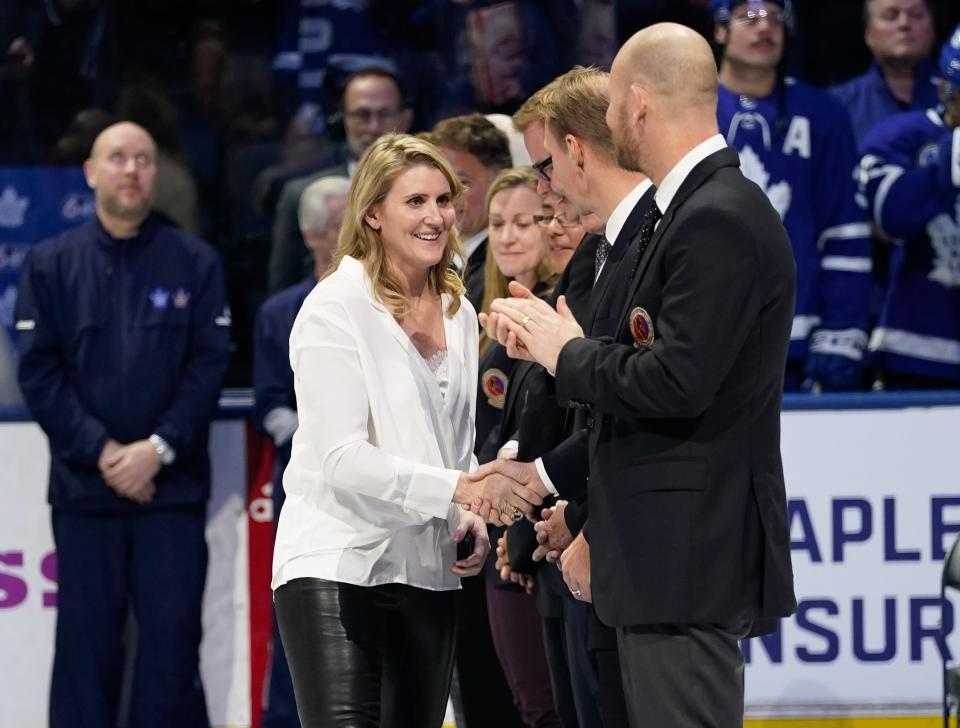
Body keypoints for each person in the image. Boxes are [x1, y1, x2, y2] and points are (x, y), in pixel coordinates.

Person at [482, 23, 797, 726]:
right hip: (662, 555)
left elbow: (677, 381)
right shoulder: (686, 214)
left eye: (615, 102)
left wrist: (564, 351)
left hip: (684, 554)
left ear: (639, 104)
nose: (609, 118)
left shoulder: (717, 215)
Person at [270, 133, 543, 727]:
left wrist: (465, 516)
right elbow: (341, 456)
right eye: (415, 201)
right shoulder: (333, 308)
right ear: (372, 212)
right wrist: (458, 490)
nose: (436, 216)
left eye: (444, 200)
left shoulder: (459, 309)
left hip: (426, 566)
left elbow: (454, 447)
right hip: (337, 562)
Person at [15, 122, 231, 727]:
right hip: (87, 493)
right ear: (91, 172)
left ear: (155, 174)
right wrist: (105, 451)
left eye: (142, 159)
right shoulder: (50, 265)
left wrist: (156, 450)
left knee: (169, 650)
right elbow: (40, 374)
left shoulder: (196, 262)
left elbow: (208, 367)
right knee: (86, 654)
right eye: (117, 158)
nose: (131, 170)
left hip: (172, 493)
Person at [713, 0, 873, 391]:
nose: (764, 27)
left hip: (796, 340)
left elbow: (844, 227)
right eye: (749, 17)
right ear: (719, 30)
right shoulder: (685, 110)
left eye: (775, 18)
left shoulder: (823, 114)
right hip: (704, 336)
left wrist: (841, 332)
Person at [253, 175, 351, 728]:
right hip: (306, 492)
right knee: (300, 610)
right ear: (312, 236)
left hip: (372, 488)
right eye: (339, 225)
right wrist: (319, 433)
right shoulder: (279, 313)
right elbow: (268, 404)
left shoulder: (390, 303)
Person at [475, 166, 562, 728]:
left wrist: (520, 534)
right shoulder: (484, 328)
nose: (507, 236)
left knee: (546, 709)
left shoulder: (557, 321)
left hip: (533, 541)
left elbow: (544, 434)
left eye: (524, 222)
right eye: (497, 223)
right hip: (494, 538)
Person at [856, 24, 960, 389]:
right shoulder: (903, 134)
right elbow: (890, 216)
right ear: (945, 89)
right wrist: (946, 167)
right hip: (916, 347)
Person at [269, 68, 414, 294]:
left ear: (405, 119)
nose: (374, 127)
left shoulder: (432, 192)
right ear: (342, 119)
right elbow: (282, 294)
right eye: (361, 115)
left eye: (384, 114)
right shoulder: (299, 194)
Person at [428, 113, 514, 311]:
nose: (446, 196)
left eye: (462, 183)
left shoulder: (510, 265)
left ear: (500, 181)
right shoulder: (425, 259)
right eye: (441, 182)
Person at [831, 0, 938, 144]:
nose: (904, 24)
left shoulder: (955, 97)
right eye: (890, 16)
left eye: (916, 15)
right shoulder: (838, 106)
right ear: (868, 33)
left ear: (932, 28)